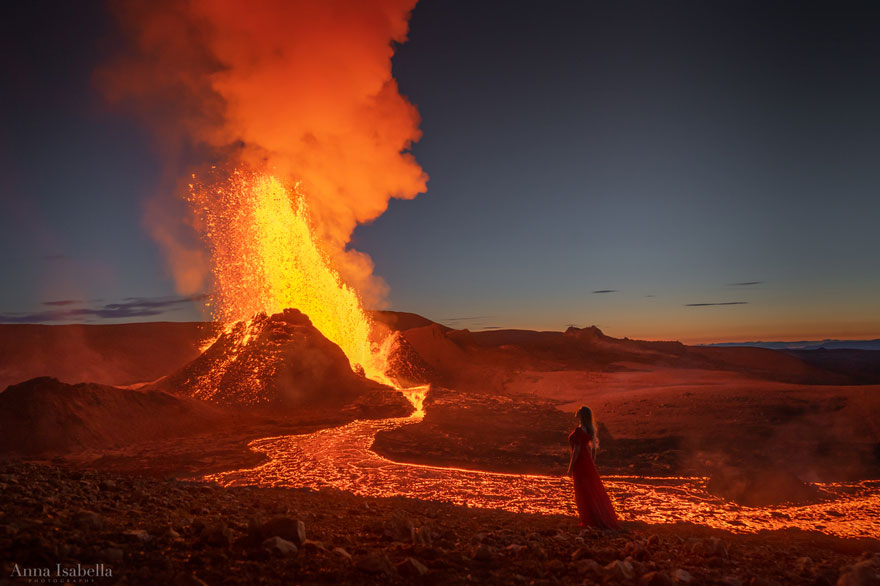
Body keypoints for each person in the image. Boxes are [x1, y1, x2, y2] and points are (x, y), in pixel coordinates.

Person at [567, 405, 619, 528]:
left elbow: (576, 451)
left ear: (581, 415)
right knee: (591, 488)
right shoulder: (589, 430)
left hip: (580, 463)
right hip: (587, 462)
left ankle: (588, 518)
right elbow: (592, 449)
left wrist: (570, 467)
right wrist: (591, 461)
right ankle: (594, 516)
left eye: (579, 411)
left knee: (582, 490)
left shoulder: (580, 431)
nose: (577, 411)